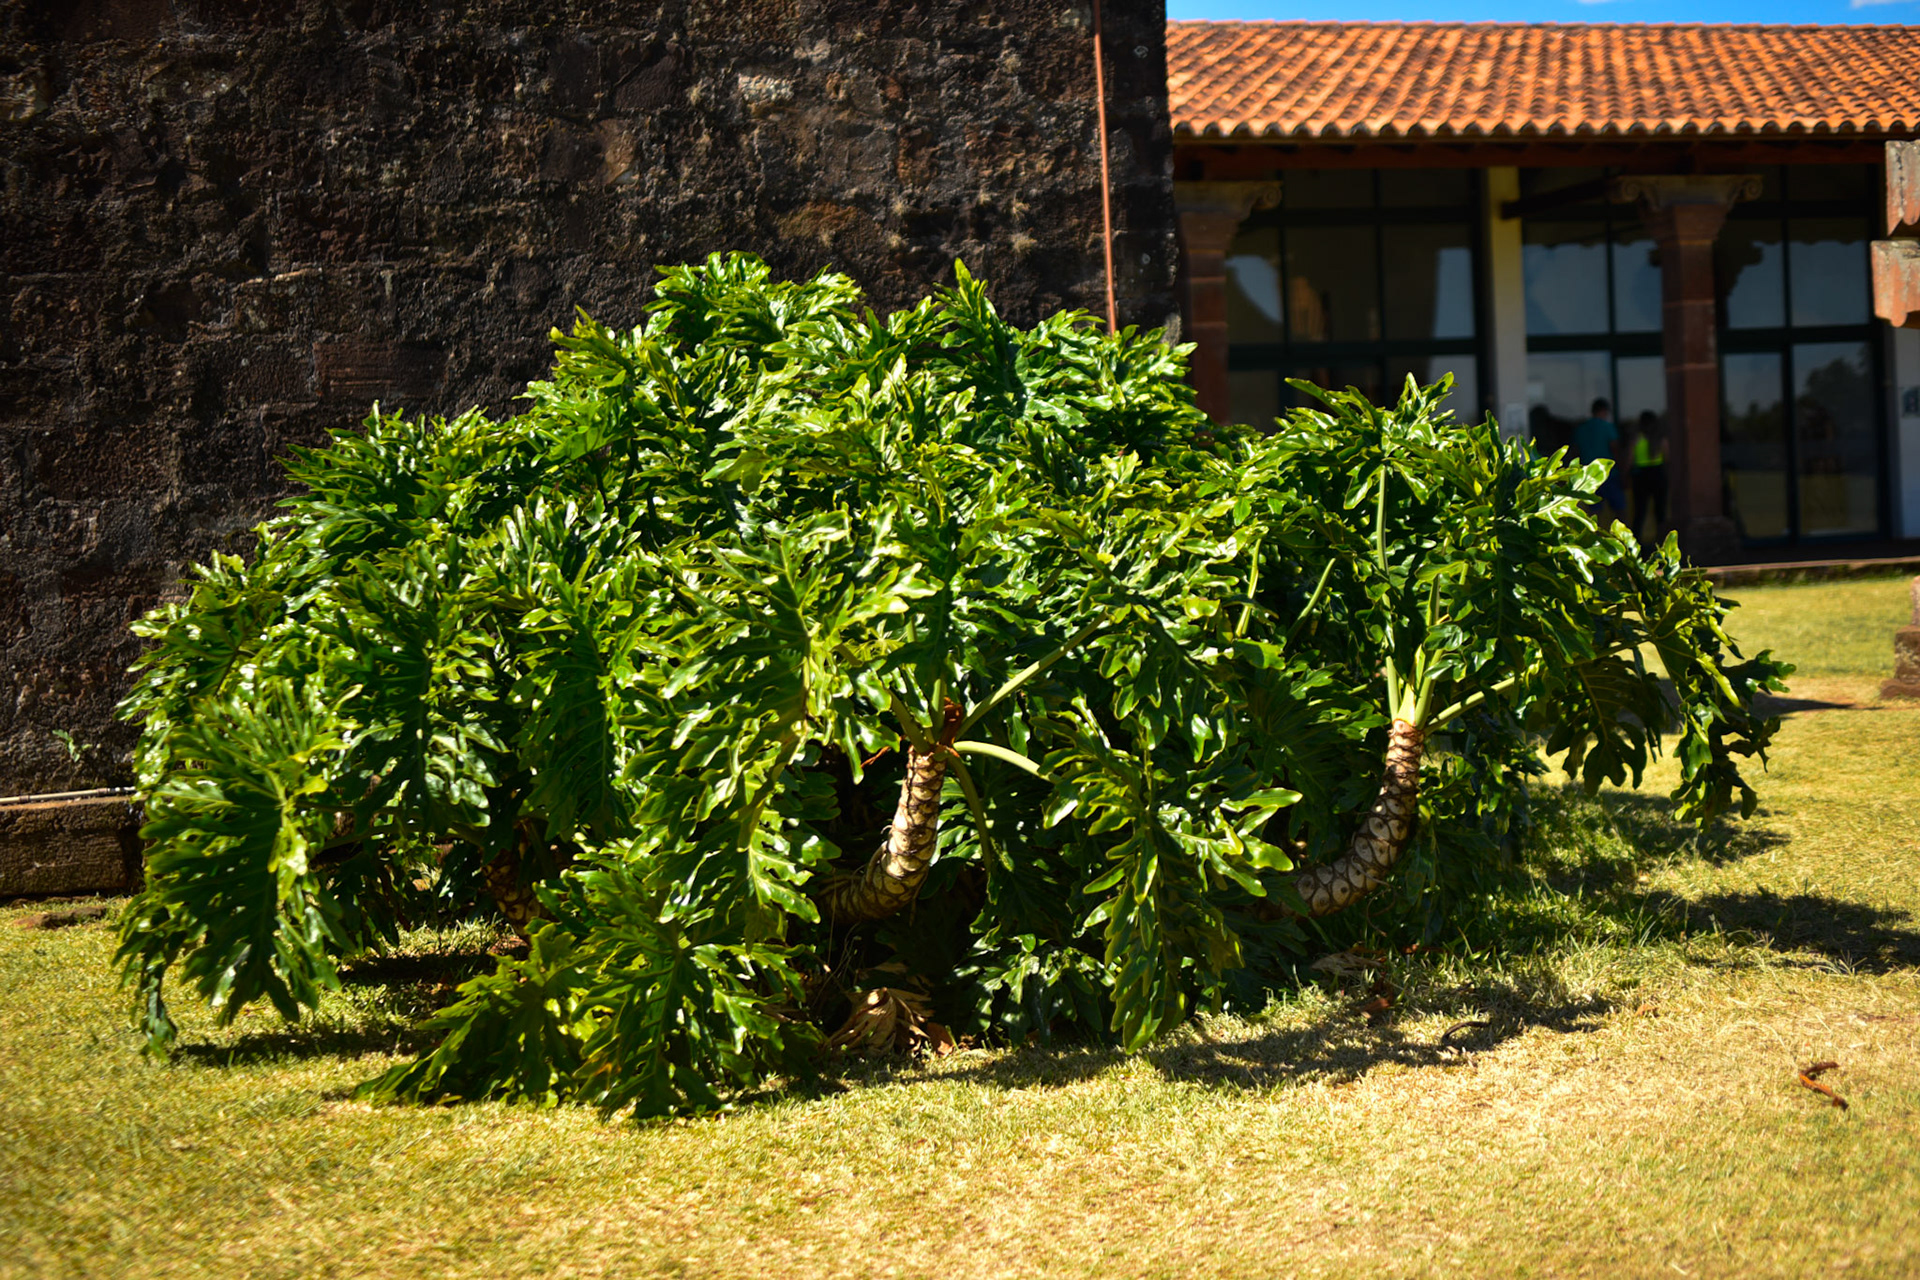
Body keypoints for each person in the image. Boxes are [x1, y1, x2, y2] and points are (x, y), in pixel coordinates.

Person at [1572, 397, 1622, 517]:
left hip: (1589, 476)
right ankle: (1622, 536)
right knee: (1620, 510)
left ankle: (1594, 535)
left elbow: (1575, 453)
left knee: (1594, 513)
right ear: (1604, 411)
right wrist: (1622, 471)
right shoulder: (1607, 427)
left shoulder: (1581, 430)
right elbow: (1615, 449)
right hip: (1609, 474)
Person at [1629, 410, 1669, 544]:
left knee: (1640, 512)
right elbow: (1667, 457)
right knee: (1660, 512)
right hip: (1657, 473)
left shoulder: (1637, 438)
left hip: (1641, 475)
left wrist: (1626, 473)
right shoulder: (1660, 438)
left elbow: (1630, 458)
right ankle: (1662, 544)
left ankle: (1636, 545)